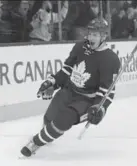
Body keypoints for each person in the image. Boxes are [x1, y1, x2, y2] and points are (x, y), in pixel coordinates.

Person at [20, 17, 121, 157]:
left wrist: (99, 108)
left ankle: (34, 143)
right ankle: (46, 134)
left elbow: (107, 92)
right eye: (90, 33)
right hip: (68, 91)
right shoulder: (80, 47)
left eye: (95, 35)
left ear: (104, 36)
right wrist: (53, 82)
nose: (91, 37)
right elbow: (67, 70)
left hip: (85, 101)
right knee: (49, 119)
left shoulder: (110, 59)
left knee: (63, 120)